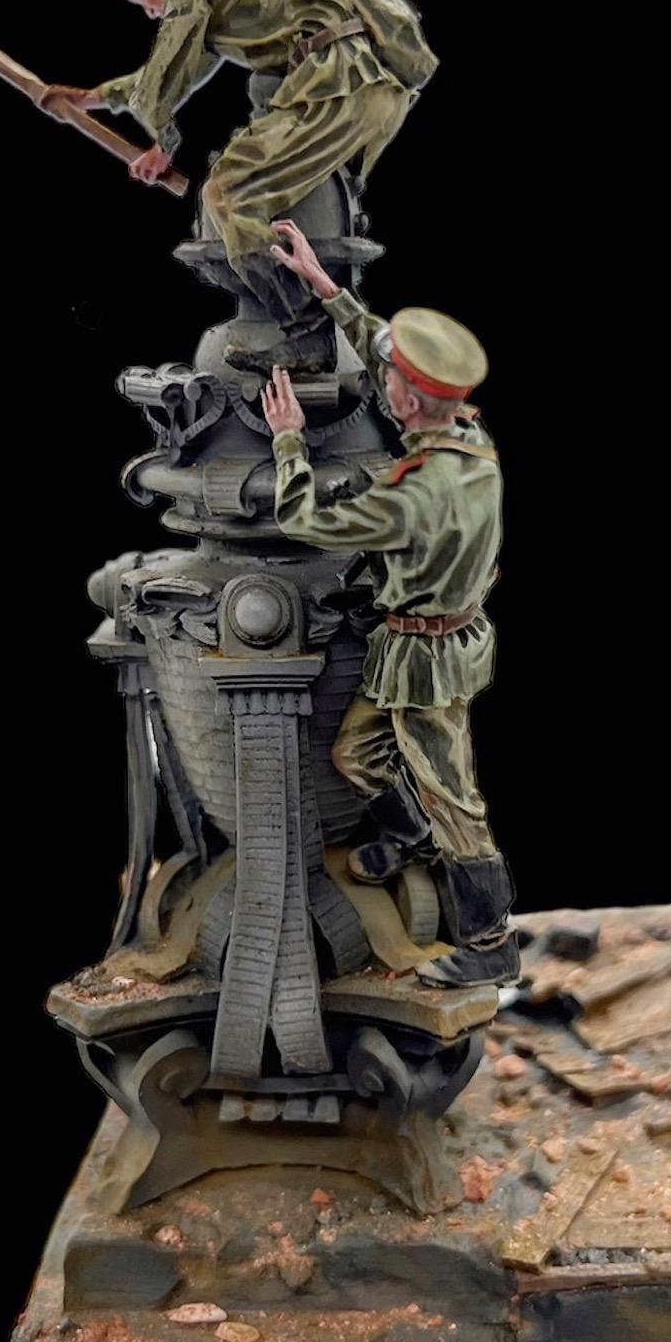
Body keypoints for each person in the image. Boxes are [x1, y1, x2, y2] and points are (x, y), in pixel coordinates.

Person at [258, 221, 513, 986]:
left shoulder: (411, 497)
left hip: (427, 657)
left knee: (453, 797)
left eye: (393, 383)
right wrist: (326, 286)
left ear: (409, 399)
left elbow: (303, 518)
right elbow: (383, 352)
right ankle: (410, 840)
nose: (385, 386)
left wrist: (288, 441)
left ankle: (491, 941)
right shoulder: (468, 438)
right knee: (358, 755)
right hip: (419, 642)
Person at [44, 0, 436, 371]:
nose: (149, 12)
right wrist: (89, 99)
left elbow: (157, 88)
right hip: (363, 88)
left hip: (335, 91)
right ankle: (314, 324)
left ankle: (306, 332)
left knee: (228, 194)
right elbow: (169, 73)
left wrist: (163, 144)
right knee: (247, 192)